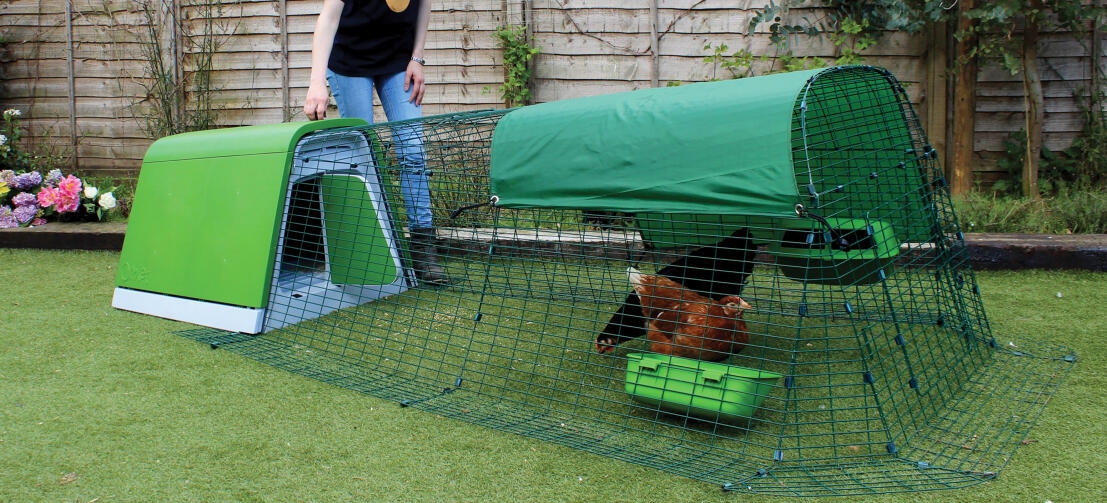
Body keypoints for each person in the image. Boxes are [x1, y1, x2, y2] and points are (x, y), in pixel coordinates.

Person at [304, 0, 445, 284]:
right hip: (349, 63)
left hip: (398, 60)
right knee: (362, 153)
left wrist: (417, 58)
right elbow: (328, 18)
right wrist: (316, 81)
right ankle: (372, 247)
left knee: (413, 151)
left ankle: (423, 249)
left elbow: (424, 3)